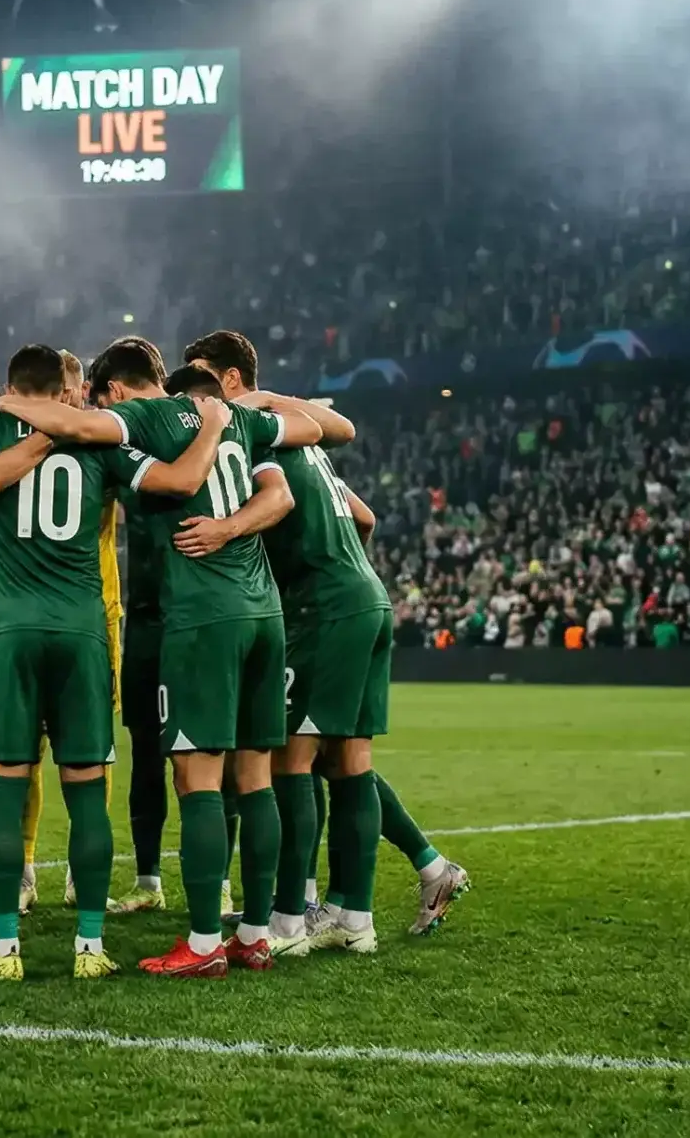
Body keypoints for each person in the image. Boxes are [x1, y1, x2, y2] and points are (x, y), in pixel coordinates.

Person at [0, 339, 314, 978]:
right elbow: (314, 441)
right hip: (263, 612)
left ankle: (200, 942)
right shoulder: (239, 419)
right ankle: (254, 934)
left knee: (197, 779)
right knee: (255, 777)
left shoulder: (140, 418)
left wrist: (5, 400)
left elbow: (74, 424)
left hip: (204, 619)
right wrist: (242, 411)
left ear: (111, 390)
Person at [0, 343, 223, 980]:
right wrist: (213, 425)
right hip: (83, 632)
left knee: (5, 793)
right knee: (88, 797)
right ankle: (90, 946)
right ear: (61, 391)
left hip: (6, 634)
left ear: (10, 385)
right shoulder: (98, 442)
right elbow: (177, 483)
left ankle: (5, 948)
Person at [183, 329, 469, 954]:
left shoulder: (250, 428)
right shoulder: (299, 435)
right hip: (365, 596)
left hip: (325, 610)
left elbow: (279, 502)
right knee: (346, 762)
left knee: (290, 759)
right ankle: (359, 911)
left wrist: (259, 548)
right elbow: (363, 517)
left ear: (231, 380)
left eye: (200, 375)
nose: (192, 392)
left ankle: (291, 917)